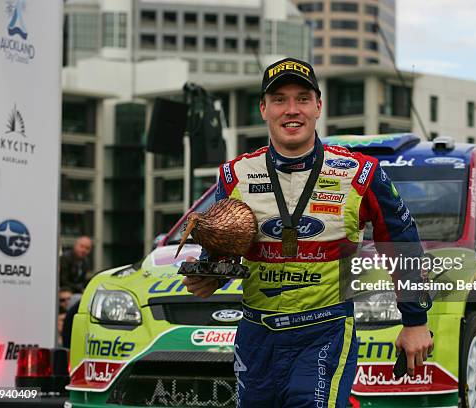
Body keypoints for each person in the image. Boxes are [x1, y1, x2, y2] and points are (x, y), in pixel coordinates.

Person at [183, 57, 433, 407]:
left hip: (324, 331)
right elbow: (223, 250)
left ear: (318, 106)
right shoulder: (234, 175)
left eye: (302, 98)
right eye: (279, 100)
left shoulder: (361, 173)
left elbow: (403, 242)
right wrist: (209, 275)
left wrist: (415, 321)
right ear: (263, 109)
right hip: (257, 334)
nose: (291, 110)